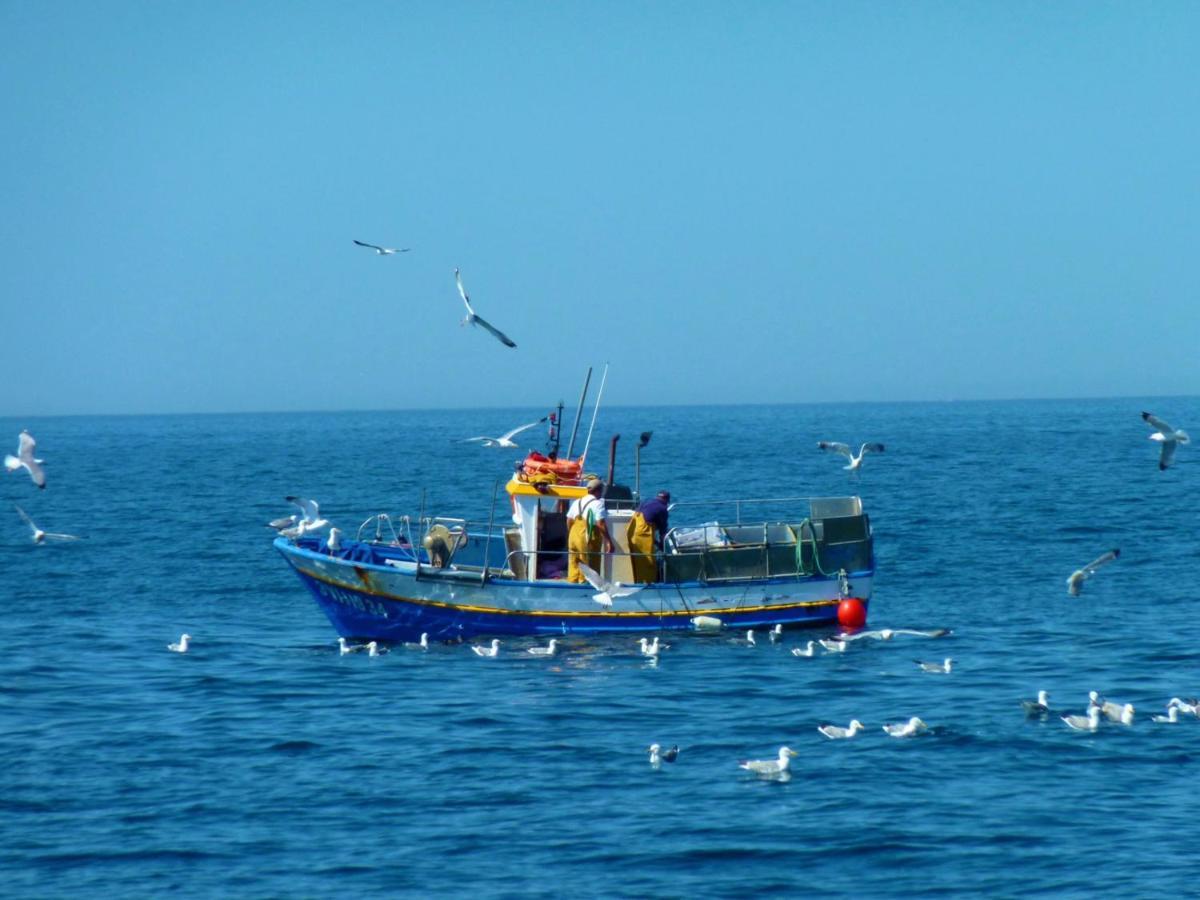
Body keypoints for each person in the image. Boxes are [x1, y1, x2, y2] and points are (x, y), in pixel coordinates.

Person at [567, 477, 613, 583]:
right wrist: (609, 542)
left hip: (573, 537)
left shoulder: (577, 501)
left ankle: (572, 585)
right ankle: (585, 590)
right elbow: (600, 523)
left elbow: (569, 520)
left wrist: (571, 533)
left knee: (574, 563)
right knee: (587, 566)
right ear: (598, 491)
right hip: (585, 538)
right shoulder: (598, 503)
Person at [627, 490, 670, 583]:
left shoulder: (647, 500)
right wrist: (663, 547)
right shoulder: (662, 509)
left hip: (632, 532)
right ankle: (648, 583)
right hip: (642, 536)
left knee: (635, 559)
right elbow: (663, 533)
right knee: (647, 561)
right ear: (667, 500)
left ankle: (635, 580)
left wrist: (654, 541)